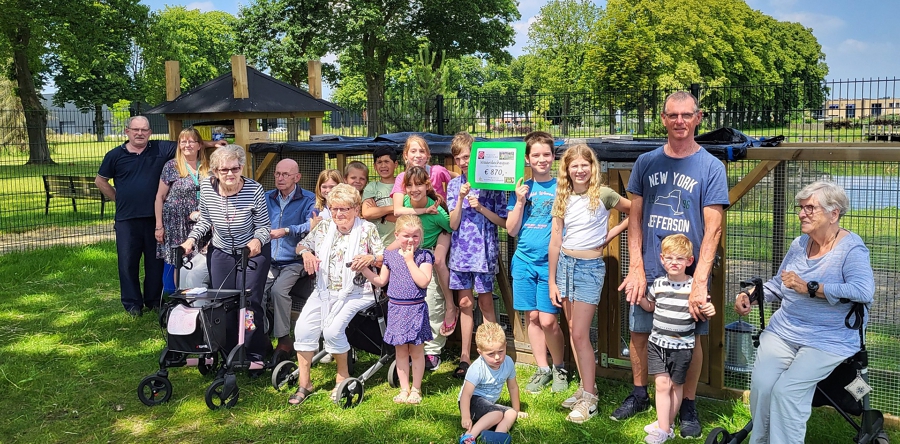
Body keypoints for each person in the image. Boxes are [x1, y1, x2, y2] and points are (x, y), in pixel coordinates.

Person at [616, 91, 730, 439]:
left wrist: (700, 280)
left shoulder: (710, 167)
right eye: (672, 115)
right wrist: (635, 265)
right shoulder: (646, 163)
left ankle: (689, 403)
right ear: (662, 119)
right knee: (639, 331)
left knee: (691, 338)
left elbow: (713, 230)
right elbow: (634, 219)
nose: (679, 121)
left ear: (698, 118)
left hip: (687, 273)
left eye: (686, 115)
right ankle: (640, 393)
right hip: (651, 266)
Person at [734, 181, 874, 444]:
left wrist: (811, 287)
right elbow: (779, 284)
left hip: (829, 339)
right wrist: (750, 296)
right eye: (801, 208)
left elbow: (863, 291)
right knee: (763, 388)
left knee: (787, 392)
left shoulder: (851, 249)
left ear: (834, 213)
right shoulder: (799, 244)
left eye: (810, 208)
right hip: (784, 332)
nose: (801, 214)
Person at [95, 116, 219, 317]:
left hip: (155, 219)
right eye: (135, 130)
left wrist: (213, 143)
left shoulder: (160, 149)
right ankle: (132, 303)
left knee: (155, 262)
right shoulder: (115, 155)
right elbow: (100, 181)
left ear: (150, 132)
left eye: (144, 130)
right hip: (127, 218)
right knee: (127, 262)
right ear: (127, 131)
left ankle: (153, 300)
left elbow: (189, 142)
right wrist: (118, 198)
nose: (140, 133)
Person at [547, 144, 630, 423]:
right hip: (565, 267)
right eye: (574, 166)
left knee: (581, 333)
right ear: (567, 170)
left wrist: (608, 236)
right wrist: (551, 280)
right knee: (572, 330)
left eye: (586, 164)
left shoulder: (603, 194)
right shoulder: (564, 197)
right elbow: (556, 239)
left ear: (593, 167)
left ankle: (591, 399)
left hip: (589, 268)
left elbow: (633, 211)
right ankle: (585, 388)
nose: (580, 170)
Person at [288, 184, 384, 405]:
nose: (338, 214)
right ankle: (305, 384)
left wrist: (370, 259)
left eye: (344, 209)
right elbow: (301, 245)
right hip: (324, 290)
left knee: (331, 331)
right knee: (302, 328)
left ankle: (343, 376)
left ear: (356, 209)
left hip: (358, 292)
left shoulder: (367, 229)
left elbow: (381, 257)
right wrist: (305, 254)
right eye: (334, 208)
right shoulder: (323, 227)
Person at [180, 144, 272, 371]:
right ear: (215, 172)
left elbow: (264, 226)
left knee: (249, 303)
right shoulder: (208, 188)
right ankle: (226, 350)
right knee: (222, 302)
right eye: (224, 170)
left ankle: (255, 352)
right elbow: (204, 221)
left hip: (252, 252)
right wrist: (190, 241)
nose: (230, 174)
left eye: (235, 168)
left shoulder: (254, 189)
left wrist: (256, 241)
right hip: (221, 251)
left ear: (241, 167)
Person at [638, 234, 716, 444]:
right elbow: (650, 305)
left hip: (682, 346)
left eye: (680, 259)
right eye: (670, 258)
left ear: (689, 261)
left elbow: (705, 309)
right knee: (662, 384)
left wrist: (709, 308)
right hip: (657, 344)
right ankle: (663, 427)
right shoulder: (658, 284)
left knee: (675, 385)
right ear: (662, 259)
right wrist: (638, 298)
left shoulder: (694, 287)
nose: (674, 263)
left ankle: (667, 424)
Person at [506, 131, 567, 394]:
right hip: (524, 261)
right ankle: (542, 368)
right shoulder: (522, 188)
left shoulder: (561, 187)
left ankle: (560, 367)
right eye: (536, 155)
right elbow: (510, 229)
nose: (541, 159)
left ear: (553, 157)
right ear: (527, 159)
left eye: (546, 154)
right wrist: (519, 202)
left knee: (549, 320)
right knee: (531, 317)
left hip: (550, 263)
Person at [447, 132, 508, 380]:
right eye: (459, 158)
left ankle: (493, 353)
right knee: (464, 303)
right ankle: (464, 356)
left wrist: (480, 207)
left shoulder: (493, 185)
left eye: (467, 156)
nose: (463, 162)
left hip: (484, 252)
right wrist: (461, 199)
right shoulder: (453, 186)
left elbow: (503, 221)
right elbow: (453, 223)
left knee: (485, 303)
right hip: (461, 252)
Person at [360, 215, 434, 404]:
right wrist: (363, 270)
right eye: (406, 236)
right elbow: (381, 281)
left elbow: (424, 281)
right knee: (400, 351)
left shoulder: (424, 256)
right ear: (397, 235)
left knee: (416, 351)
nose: (410, 240)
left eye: (415, 236)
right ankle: (404, 389)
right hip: (396, 309)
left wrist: (410, 261)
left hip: (416, 308)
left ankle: (416, 389)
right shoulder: (390, 256)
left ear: (421, 236)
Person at [401, 167, 455, 371]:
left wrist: (440, 250)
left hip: (430, 254)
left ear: (427, 186)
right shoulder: (406, 204)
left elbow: (450, 228)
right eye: (410, 185)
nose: (414, 189)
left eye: (419, 184)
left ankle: (432, 350)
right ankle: (412, 345)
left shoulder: (437, 211)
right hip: (411, 254)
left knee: (432, 299)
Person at [264, 159, 316, 367]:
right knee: (254, 291)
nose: (280, 178)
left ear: (297, 177)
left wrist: (286, 230)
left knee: (278, 291)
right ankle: (259, 336)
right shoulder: (267, 197)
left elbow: (311, 225)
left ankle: (284, 339)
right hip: (268, 259)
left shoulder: (308, 198)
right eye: (277, 174)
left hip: (295, 260)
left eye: (286, 174)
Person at [154, 127, 211, 294]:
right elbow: (159, 197)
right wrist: (159, 226)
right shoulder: (172, 166)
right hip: (175, 224)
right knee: (176, 258)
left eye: (191, 141)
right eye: (183, 141)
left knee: (197, 259)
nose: (187, 145)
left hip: (201, 223)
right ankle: (173, 297)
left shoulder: (208, 167)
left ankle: (195, 293)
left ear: (200, 145)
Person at [458, 322, 527, 444]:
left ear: (505, 345)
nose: (497, 357)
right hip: (471, 402)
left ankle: (496, 437)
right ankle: (469, 436)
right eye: (490, 354)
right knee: (497, 414)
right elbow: (466, 394)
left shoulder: (508, 362)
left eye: (501, 351)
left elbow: (513, 387)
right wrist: (466, 416)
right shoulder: (477, 368)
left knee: (510, 413)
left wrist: (517, 410)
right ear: (480, 352)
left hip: (488, 404)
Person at [362, 146, 400, 248]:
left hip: (400, 243)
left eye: (387, 161)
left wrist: (379, 212)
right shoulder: (372, 187)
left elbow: (405, 216)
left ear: (395, 164)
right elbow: (367, 213)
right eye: (379, 162)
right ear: (374, 166)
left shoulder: (402, 184)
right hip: (377, 243)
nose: (383, 165)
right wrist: (395, 208)